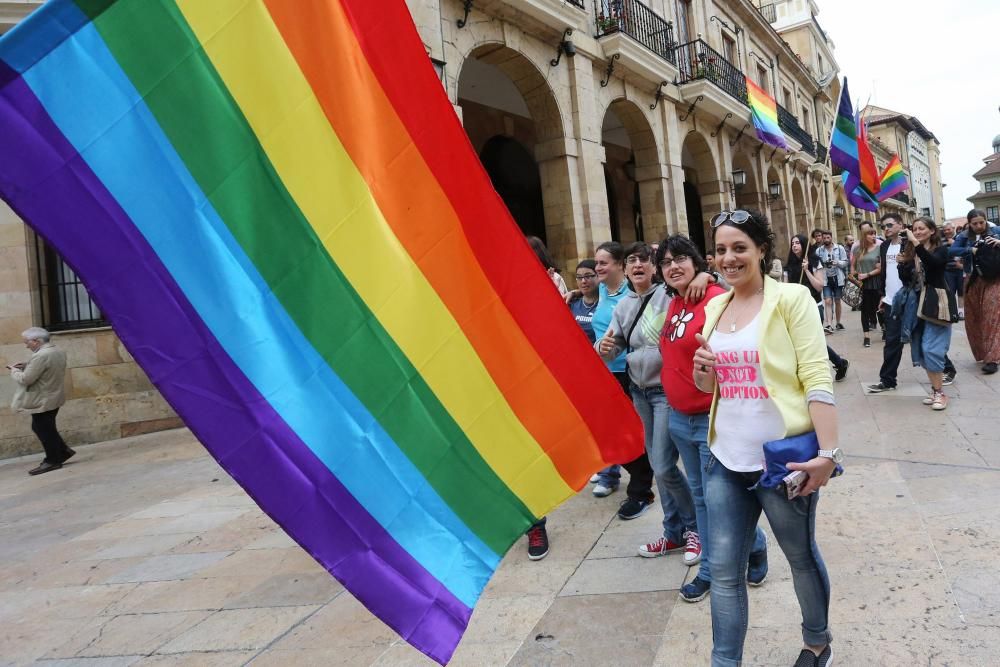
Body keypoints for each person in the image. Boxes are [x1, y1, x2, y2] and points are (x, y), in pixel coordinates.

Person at [693, 210, 838, 667]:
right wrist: (703, 377)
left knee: (800, 556)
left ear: (760, 250)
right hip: (724, 458)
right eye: (720, 250)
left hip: (782, 461)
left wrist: (829, 454)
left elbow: (816, 374)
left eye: (739, 247)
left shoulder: (791, 299)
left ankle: (817, 642)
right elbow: (715, 387)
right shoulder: (715, 306)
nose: (729, 258)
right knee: (723, 572)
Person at [657, 235, 768, 603]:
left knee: (715, 500)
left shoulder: (716, 298)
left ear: (697, 262)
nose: (673, 266)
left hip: (709, 417)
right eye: (666, 261)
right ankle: (747, 547)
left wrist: (709, 276)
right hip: (679, 418)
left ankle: (717, 567)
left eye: (681, 259)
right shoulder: (674, 301)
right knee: (705, 497)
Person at [598, 242, 701, 566]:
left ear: (654, 267)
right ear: (626, 269)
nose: (638, 265)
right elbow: (616, 350)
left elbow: (698, 286)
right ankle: (674, 531)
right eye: (632, 261)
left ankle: (695, 528)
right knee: (660, 466)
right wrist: (606, 348)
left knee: (664, 466)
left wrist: (705, 276)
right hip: (639, 390)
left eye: (644, 259)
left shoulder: (667, 295)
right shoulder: (623, 307)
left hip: (664, 391)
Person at [868, 215, 958, 392]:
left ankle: (946, 370)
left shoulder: (917, 244)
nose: (886, 228)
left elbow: (931, 266)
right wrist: (884, 294)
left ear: (900, 225)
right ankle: (887, 380)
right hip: (897, 299)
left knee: (927, 342)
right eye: (883, 226)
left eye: (890, 225)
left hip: (923, 300)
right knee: (894, 340)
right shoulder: (886, 246)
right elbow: (894, 275)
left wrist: (912, 243)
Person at [903, 217, 955, 410]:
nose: (917, 232)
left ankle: (941, 393)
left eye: (921, 228)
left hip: (936, 304)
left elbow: (932, 263)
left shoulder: (941, 250)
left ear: (932, 231)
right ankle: (935, 390)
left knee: (932, 348)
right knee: (920, 350)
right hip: (916, 305)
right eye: (915, 229)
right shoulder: (912, 251)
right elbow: (907, 278)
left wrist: (915, 245)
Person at [8, 327, 74, 476]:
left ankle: (52, 460)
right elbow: (47, 368)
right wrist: (27, 365)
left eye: (27, 342)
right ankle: (63, 451)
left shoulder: (40, 356)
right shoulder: (56, 350)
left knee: (43, 429)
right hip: (53, 396)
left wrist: (14, 371)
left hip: (42, 399)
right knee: (46, 427)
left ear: (36, 341)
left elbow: (26, 379)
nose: (26, 345)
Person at [787, 234, 850, 381]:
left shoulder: (815, 262)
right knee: (803, 342)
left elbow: (820, 286)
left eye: (797, 243)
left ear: (804, 245)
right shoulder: (789, 265)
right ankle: (839, 363)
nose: (795, 245)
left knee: (812, 342)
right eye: (792, 243)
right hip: (796, 309)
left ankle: (839, 363)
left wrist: (807, 270)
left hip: (814, 307)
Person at [950, 209, 1000, 374]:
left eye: (982, 222)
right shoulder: (963, 236)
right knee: (973, 318)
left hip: (994, 279)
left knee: (992, 317)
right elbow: (950, 251)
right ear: (969, 224)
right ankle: (982, 353)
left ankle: (992, 359)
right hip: (972, 279)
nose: (979, 226)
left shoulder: (997, 231)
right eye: (975, 223)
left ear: (986, 221)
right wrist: (970, 250)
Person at [852, 225, 882, 347]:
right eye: (870, 234)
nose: (873, 236)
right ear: (864, 236)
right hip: (863, 285)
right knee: (864, 311)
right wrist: (854, 274)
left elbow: (881, 268)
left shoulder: (879, 248)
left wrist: (867, 274)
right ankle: (866, 337)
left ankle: (884, 329)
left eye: (874, 234)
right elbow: (852, 264)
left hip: (876, 282)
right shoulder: (858, 249)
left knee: (880, 309)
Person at [815, 230, 849, 332]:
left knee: (837, 301)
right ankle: (829, 324)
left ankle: (838, 322)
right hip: (826, 279)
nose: (826, 240)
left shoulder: (839, 248)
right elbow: (816, 264)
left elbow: (845, 262)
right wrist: (822, 264)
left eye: (827, 238)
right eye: (824, 238)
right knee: (828, 301)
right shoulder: (819, 251)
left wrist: (837, 262)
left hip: (838, 278)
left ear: (831, 238)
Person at [941, 221, 965, 319]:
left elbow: (966, 250)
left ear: (953, 228)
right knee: (950, 292)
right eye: (945, 230)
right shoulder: (941, 240)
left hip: (960, 269)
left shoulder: (960, 238)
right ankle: (953, 312)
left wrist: (955, 244)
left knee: (961, 291)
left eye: (948, 229)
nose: (947, 231)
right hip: (947, 270)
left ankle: (961, 312)